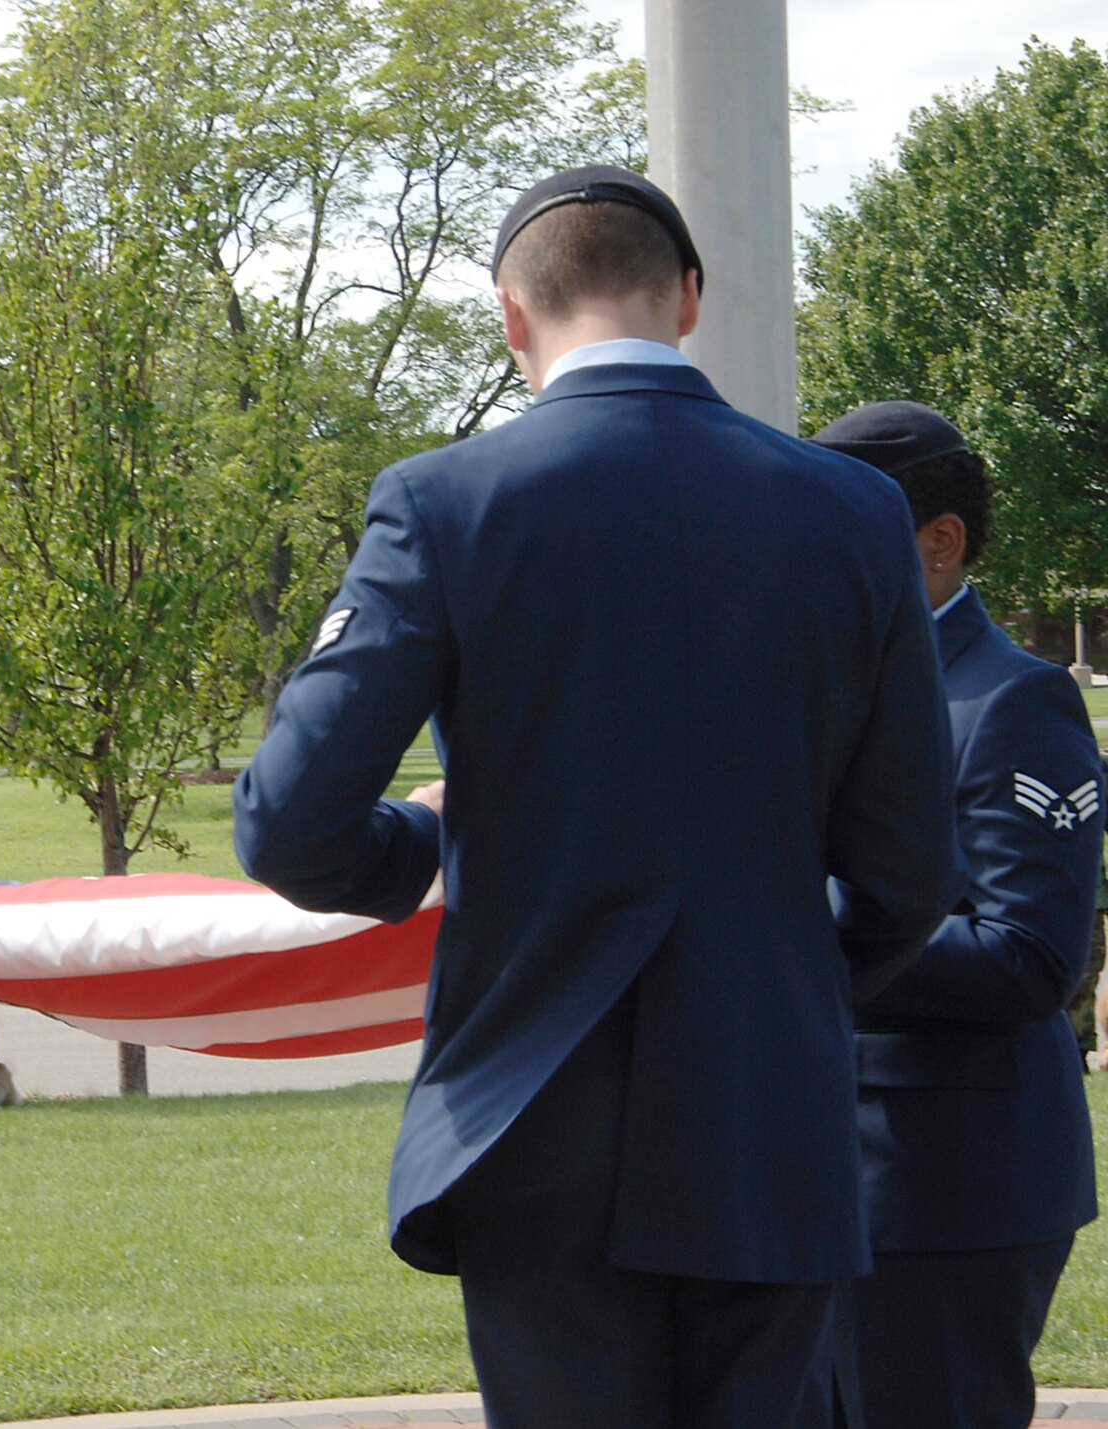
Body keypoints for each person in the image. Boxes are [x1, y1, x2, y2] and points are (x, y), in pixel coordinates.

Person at [231, 167, 961, 1427]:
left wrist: (422, 841)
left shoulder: (442, 501)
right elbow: (908, 869)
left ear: (510, 318)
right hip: (766, 1102)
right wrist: (775, 977)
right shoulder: (854, 511)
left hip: (532, 1103)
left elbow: (289, 817)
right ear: (688, 300)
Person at [809, 402, 1099, 1428]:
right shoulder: (816, 690)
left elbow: (1026, 958)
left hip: (944, 1184)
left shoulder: (1006, 701)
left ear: (938, 545)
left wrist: (796, 917)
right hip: (806, 1173)